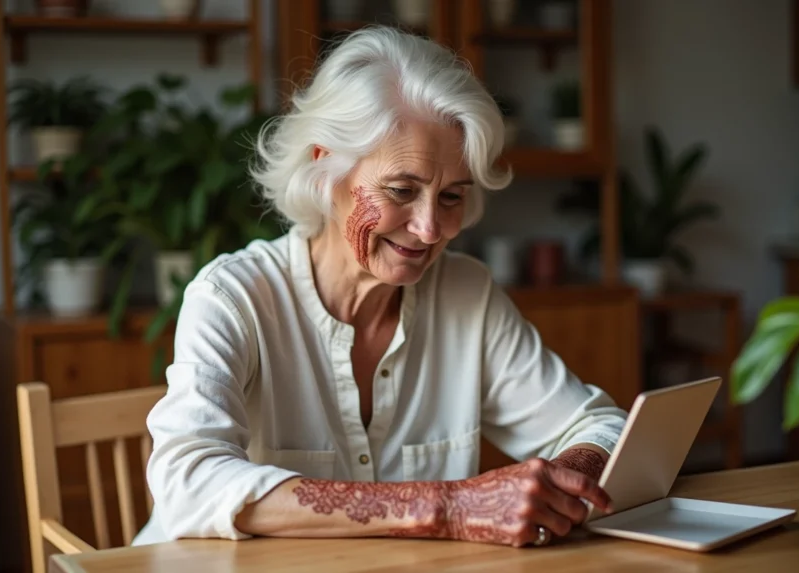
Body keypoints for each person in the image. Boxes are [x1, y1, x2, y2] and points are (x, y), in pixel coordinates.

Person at [133, 25, 627, 549]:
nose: (430, 228)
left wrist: (558, 484)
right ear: (325, 167)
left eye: (452, 197)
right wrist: (446, 507)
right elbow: (187, 484)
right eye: (401, 190)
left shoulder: (465, 294)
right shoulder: (233, 299)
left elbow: (600, 425)